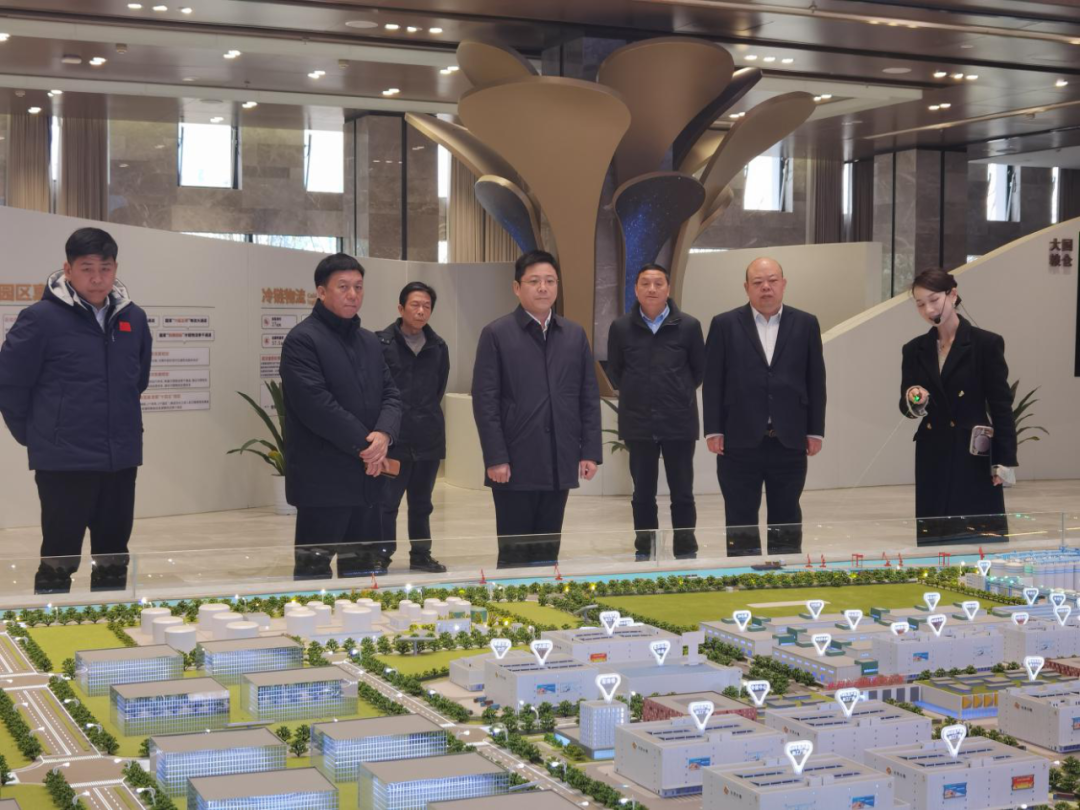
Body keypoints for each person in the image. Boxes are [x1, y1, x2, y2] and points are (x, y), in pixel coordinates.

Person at [0, 227, 152, 594]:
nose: (97, 278)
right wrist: (39, 435)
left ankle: (111, 618)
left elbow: (137, 380)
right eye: (87, 269)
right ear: (68, 269)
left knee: (113, 554)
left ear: (115, 269)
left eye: (105, 268)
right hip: (64, 461)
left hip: (120, 457)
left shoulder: (133, 318)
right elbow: (10, 384)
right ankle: (51, 621)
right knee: (60, 555)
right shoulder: (40, 318)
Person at [472, 250, 602, 567]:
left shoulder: (574, 334)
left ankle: (544, 597)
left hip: (559, 460)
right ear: (517, 288)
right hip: (515, 463)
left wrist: (589, 451)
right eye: (534, 281)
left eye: (550, 281)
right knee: (514, 552)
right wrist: (496, 457)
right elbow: (485, 401)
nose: (543, 288)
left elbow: (587, 395)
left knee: (547, 551)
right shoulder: (497, 334)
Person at [280, 253, 402, 579]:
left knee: (365, 575)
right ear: (321, 292)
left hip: (368, 480)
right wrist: (369, 446)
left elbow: (391, 394)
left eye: (358, 287)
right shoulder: (302, 340)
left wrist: (385, 434)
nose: (353, 295)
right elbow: (317, 406)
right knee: (313, 577)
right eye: (343, 287)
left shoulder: (370, 341)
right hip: (323, 483)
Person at [702, 257, 826, 556]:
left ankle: (785, 574)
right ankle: (744, 573)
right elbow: (713, 381)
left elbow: (816, 380)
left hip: (789, 439)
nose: (766, 287)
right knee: (740, 514)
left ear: (783, 284)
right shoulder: (724, 324)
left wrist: (815, 431)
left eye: (772, 280)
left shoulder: (806, 323)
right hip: (738, 439)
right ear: (747, 287)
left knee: (787, 513)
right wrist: (713, 429)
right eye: (758, 282)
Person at [900, 267, 1017, 544]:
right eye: (920, 304)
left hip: (973, 453)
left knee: (977, 535)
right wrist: (914, 398)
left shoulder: (985, 344)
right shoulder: (914, 349)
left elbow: (1001, 405)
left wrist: (1005, 459)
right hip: (932, 451)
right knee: (935, 536)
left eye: (933, 300)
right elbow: (906, 407)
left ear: (952, 295)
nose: (928, 309)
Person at [607, 263, 705, 560]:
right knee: (642, 493)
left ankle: (685, 549)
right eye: (645, 284)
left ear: (668, 288)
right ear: (636, 289)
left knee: (682, 492)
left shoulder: (689, 326)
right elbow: (616, 372)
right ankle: (645, 549)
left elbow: (698, 372)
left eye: (658, 283)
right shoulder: (620, 328)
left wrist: (674, 395)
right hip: (638, 422)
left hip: (679, 421)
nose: (652, 289)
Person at [377, 281, 450, 573]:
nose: (421, 311)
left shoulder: (438, 346)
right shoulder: (381, 343)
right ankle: (381, 555)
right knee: (386, 503)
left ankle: (421, 555)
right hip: (393, 440)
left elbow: (438, 388)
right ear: (401, 308)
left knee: (422, 503)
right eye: (415, 305)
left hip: (428, 438)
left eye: (426, 306)